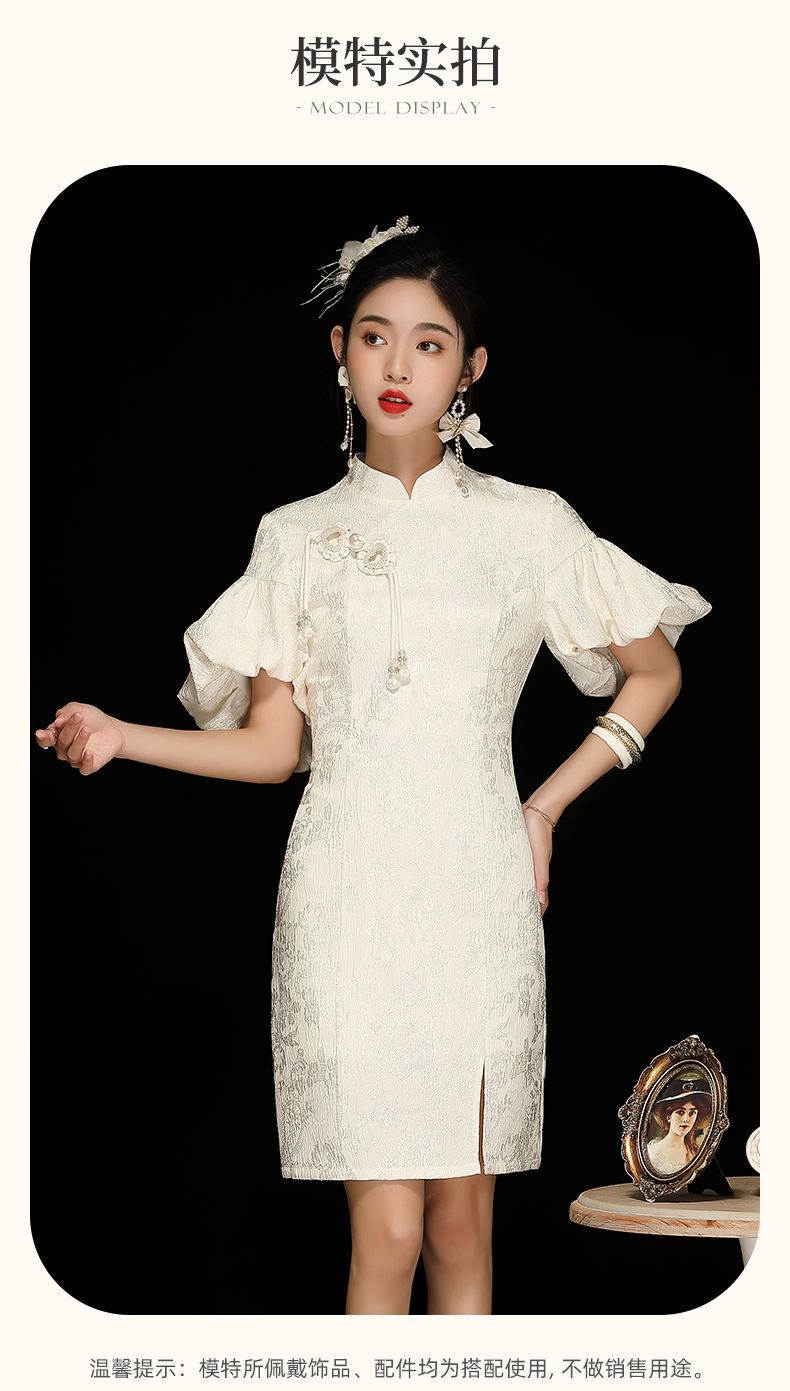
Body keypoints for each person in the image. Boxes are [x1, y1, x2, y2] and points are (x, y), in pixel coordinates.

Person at [35, 216, 711, 1315]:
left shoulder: (531, 526)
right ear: (339, 350)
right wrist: (120, 734)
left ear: (470, 367)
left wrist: (544, 807)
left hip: (476, 893)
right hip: (344, 898)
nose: (399, 365)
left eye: (430, 343)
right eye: (375, 336)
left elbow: (654, 671)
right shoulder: (293, 535)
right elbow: (274, 749)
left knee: (460, 1226)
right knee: (388, 1228)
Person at [646, 1077, 714, 1176]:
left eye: (692, 1113)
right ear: (668, 1117)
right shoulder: (652, 1153)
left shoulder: (695, 1153)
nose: (686, 1119)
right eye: (680, 1112)